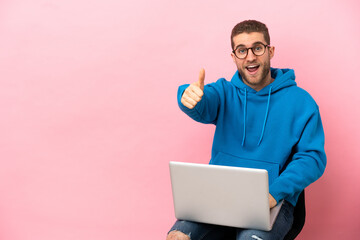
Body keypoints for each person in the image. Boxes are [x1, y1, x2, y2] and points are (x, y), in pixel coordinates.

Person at [167, 20, 327, 240]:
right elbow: (204, 103)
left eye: (257, 48)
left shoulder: (302, 102)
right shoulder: (225, 91)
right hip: (219, 194)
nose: (250, 57)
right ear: (234, 57)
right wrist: (187, 95)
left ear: (270, 51)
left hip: (271, 198)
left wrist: (275, 192)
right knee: (178, 236)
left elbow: (312, 158)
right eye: (242, 50)